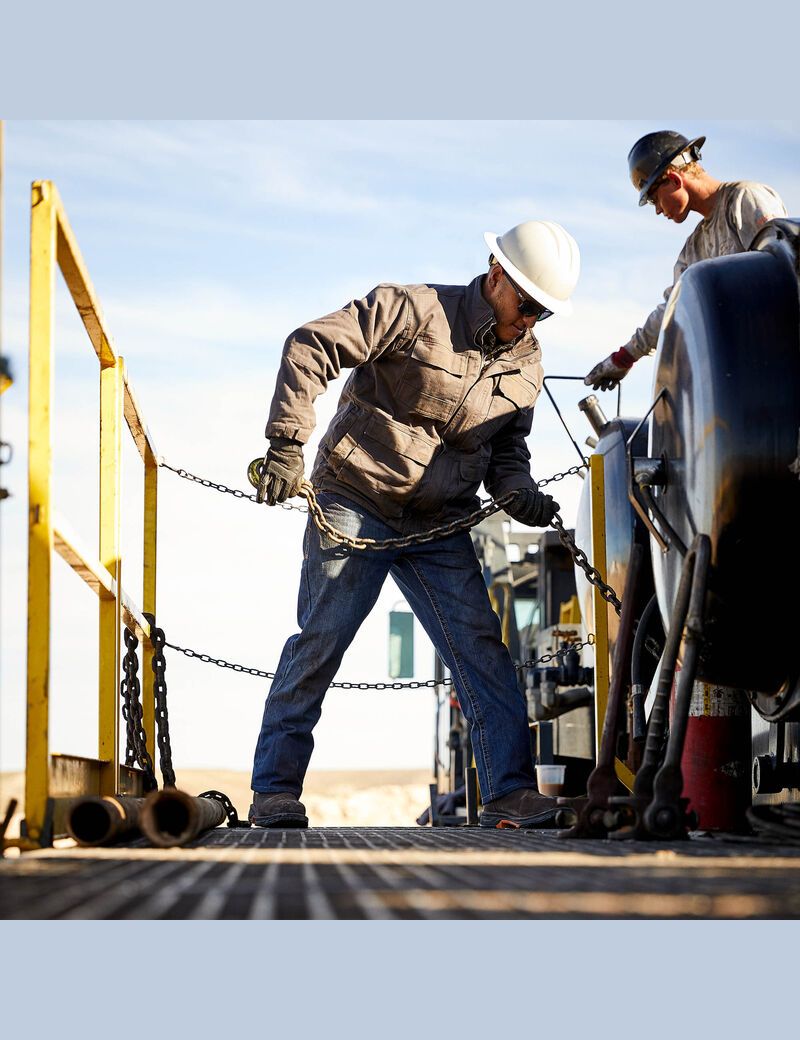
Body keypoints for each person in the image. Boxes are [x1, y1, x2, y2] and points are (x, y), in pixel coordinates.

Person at [249, 220, 581, 829]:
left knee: (481, 650)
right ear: (497, 273)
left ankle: (508, 793)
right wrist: (286, 446)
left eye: (544, 314)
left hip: (437, 524)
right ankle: (274, 790)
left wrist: (519, 493)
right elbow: (309, 345)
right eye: (527, 304)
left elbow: (507, 452)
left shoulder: (527, 360)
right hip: (357, 496)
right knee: (321, 640)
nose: (531, 320)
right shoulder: (415, 309)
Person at [585, 130, 787, 391]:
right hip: (743, 372)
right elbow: (671, 308)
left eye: (655, 198)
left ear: (673, 179)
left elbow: (783, 274)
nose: (658, 209)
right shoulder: (695, 248)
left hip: (779, 363)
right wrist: (624, 358)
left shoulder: (744, 199)